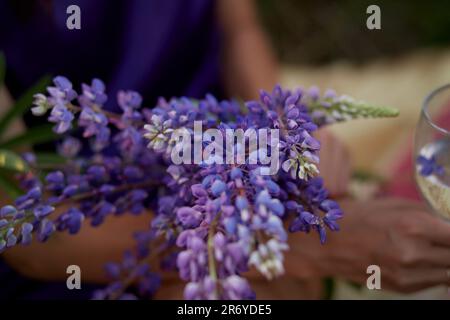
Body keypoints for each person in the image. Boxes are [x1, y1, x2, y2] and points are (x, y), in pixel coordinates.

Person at [1, 0, 450, 300]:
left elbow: (239, 28)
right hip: (85, 240)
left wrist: (281, 126)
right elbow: (31, 238)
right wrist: (293, 242)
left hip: (220, 152)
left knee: (291, 285)